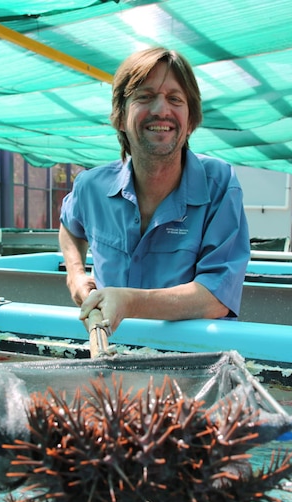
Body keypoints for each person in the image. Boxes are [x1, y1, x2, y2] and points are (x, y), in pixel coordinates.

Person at [58, 47, 250, 333]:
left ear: (191, 121)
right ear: (120, 117)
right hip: (111, 357)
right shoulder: (91, 187)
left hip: (190, 361)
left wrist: (130, 302)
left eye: (175, 99)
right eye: (145, 97)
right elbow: (70, 226)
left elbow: (216, 296)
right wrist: (75, 274)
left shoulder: (219, 186)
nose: (161, 110)